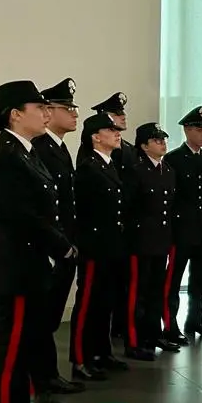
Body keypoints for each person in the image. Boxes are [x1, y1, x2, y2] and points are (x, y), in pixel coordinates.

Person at [0, 81, 75, 403]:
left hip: (29, 266)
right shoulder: (5, 155)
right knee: (8, 358)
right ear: (15, 113)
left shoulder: (24, 151)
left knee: (20, 353)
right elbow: (23, 216)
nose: (46, 112)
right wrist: (62, 245)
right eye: (38, 107)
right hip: (15, 270)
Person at [32, 78, 86, 390]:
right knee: (41, 319)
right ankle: (41, 379)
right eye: (68, 108)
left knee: (49, 319)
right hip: (51, 248)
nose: (74, 113)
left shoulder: (60, 148)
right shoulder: (41, 148)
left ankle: (49, 374)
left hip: (65, 245)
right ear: (49, 112)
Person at [69, 112, 129, 377]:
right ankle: (81, 358)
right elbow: (82, 213)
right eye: (110, 129)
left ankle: (102, 352)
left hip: (111, 246)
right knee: (88, 303)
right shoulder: (87, 167)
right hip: (94, 247)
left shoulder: (107, 164)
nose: (117, 133)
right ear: (95, 137)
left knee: (106, 301)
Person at [125, 122, 181, 358]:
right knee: (138, 293)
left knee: (158, 290)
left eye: (163, 139)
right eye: (157, 140)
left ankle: (153, 334)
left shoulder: (167, 170)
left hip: (161, 240)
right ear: (144, 145)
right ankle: (135, 341)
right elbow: (128, 208)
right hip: (141, 242)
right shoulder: (136, 171)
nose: (162, 144)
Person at [163, 106, 202, 340]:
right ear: (186, 130)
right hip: (181, 230)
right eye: (198, 129)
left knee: (198, 280)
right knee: (173, 281)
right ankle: (170, 324)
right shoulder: (174, 158)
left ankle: (195, 320)